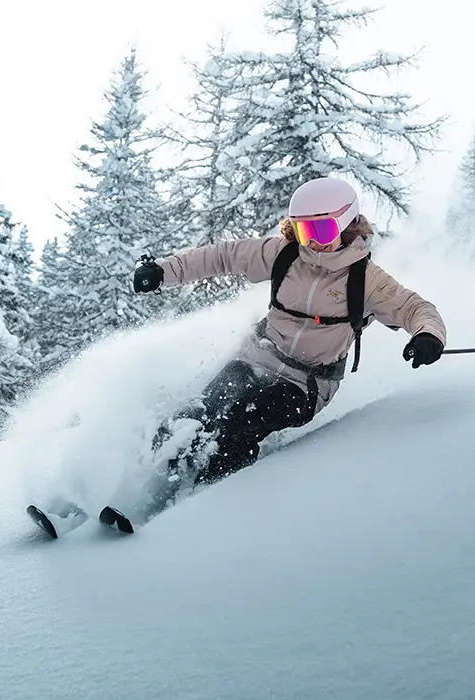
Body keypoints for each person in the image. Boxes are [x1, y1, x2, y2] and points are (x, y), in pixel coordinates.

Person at [130, 176, 446, 506]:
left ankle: (197, 503)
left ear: (347, 224)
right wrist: (163, 271)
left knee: (241, 420)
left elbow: (415, 308)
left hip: (306, 384)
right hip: (256, 358)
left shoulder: (366, 279)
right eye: (304, 231)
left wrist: (428, 335)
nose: (314, 242)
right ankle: (144, 484)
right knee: (200, 410)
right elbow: (222, 256)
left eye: (322, 231)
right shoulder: (284, 254)